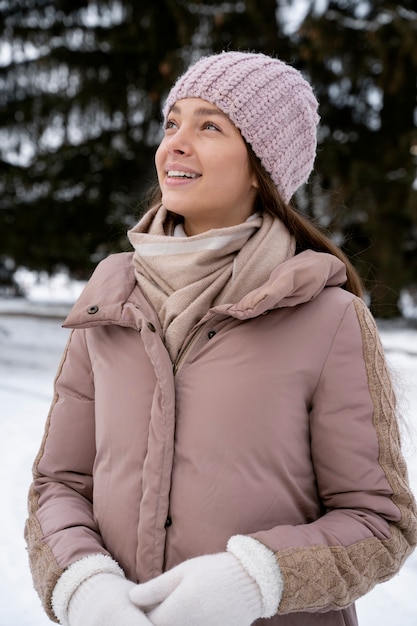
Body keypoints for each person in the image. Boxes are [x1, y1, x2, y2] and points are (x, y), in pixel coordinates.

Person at [25, 51, 417, 626]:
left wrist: (257, 579)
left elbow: (380, 523)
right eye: (172, 122)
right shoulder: (110, 304)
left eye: (210, 126)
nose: (175, 143)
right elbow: (57, 484)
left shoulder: (329, 320)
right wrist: (80, 583)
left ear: (262, 167)